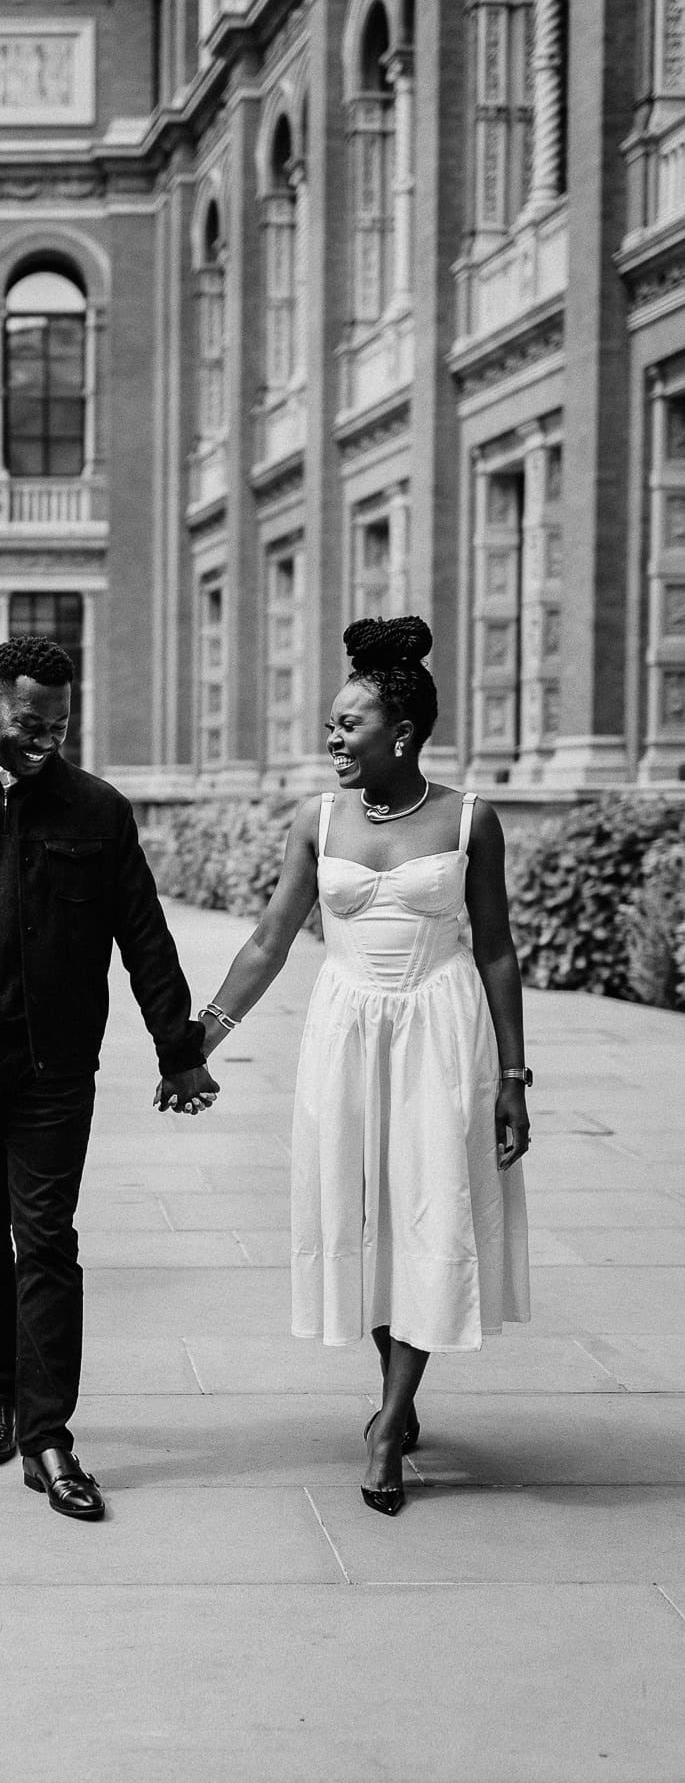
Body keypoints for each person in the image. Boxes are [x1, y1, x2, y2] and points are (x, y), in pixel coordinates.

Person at [0, 634, 217, 1522]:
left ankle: (47, 1435)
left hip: (54, 1064)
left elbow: (143, 935)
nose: (45, 739)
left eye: (58, 724)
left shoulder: (96, 810)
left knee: (46, 1236)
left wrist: (180, 1049)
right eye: (28, 723)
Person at [195, 616, 531, 1516]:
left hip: (440, 1031)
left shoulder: (471, 819)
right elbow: (269, 939)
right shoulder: (319, 818)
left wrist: (512, 1078)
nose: (331, 739)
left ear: (403, 734)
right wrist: (202, 1035)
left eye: (349, 725)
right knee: (366, 1212)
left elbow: (496, 951)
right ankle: (398, 1390)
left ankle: (388, 1423)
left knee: (430, 1206)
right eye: (334, 724)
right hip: (345, 1032)